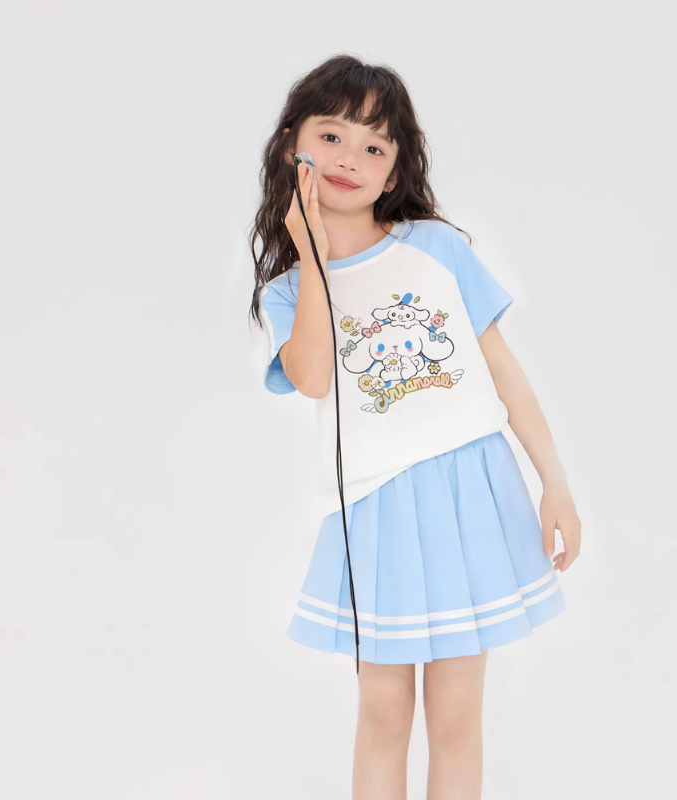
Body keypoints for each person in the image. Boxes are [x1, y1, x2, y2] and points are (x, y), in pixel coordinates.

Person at [249, 54, 582, 800]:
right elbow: (312, 376)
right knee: (384, 714)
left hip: (473, 493)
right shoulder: (289, 292)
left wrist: (555, 482)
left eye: (374, 146)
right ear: (291, 146)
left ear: (395, 171)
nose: (350, 159)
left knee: (457, 716)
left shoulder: (436, 249)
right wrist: (312, 256)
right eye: (331, 136)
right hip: (379, 511)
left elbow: (503, 370)